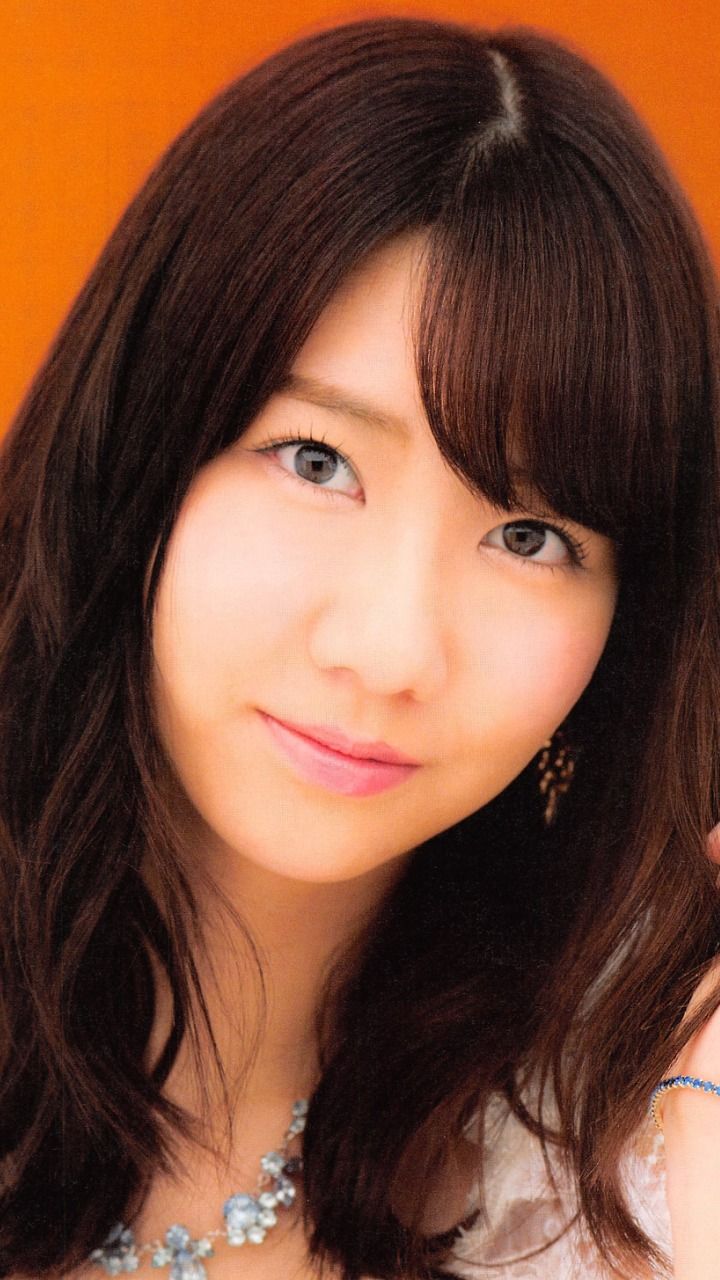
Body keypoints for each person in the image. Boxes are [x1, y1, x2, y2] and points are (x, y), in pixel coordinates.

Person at [0, 15, 718, 1280]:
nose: (390, 651)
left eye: (531, 535)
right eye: (317, 461)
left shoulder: (623, 1164)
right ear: (139, 447)